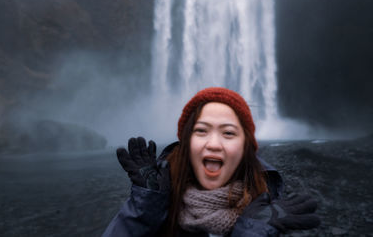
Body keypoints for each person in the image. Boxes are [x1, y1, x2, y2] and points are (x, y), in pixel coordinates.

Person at [102, 87, 320, 237]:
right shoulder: (156, 204)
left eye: (228, 133)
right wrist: (144, 210)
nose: (214, 143)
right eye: (201, 131)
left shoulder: (272, 215)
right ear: (185, 144)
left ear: (246, 149)